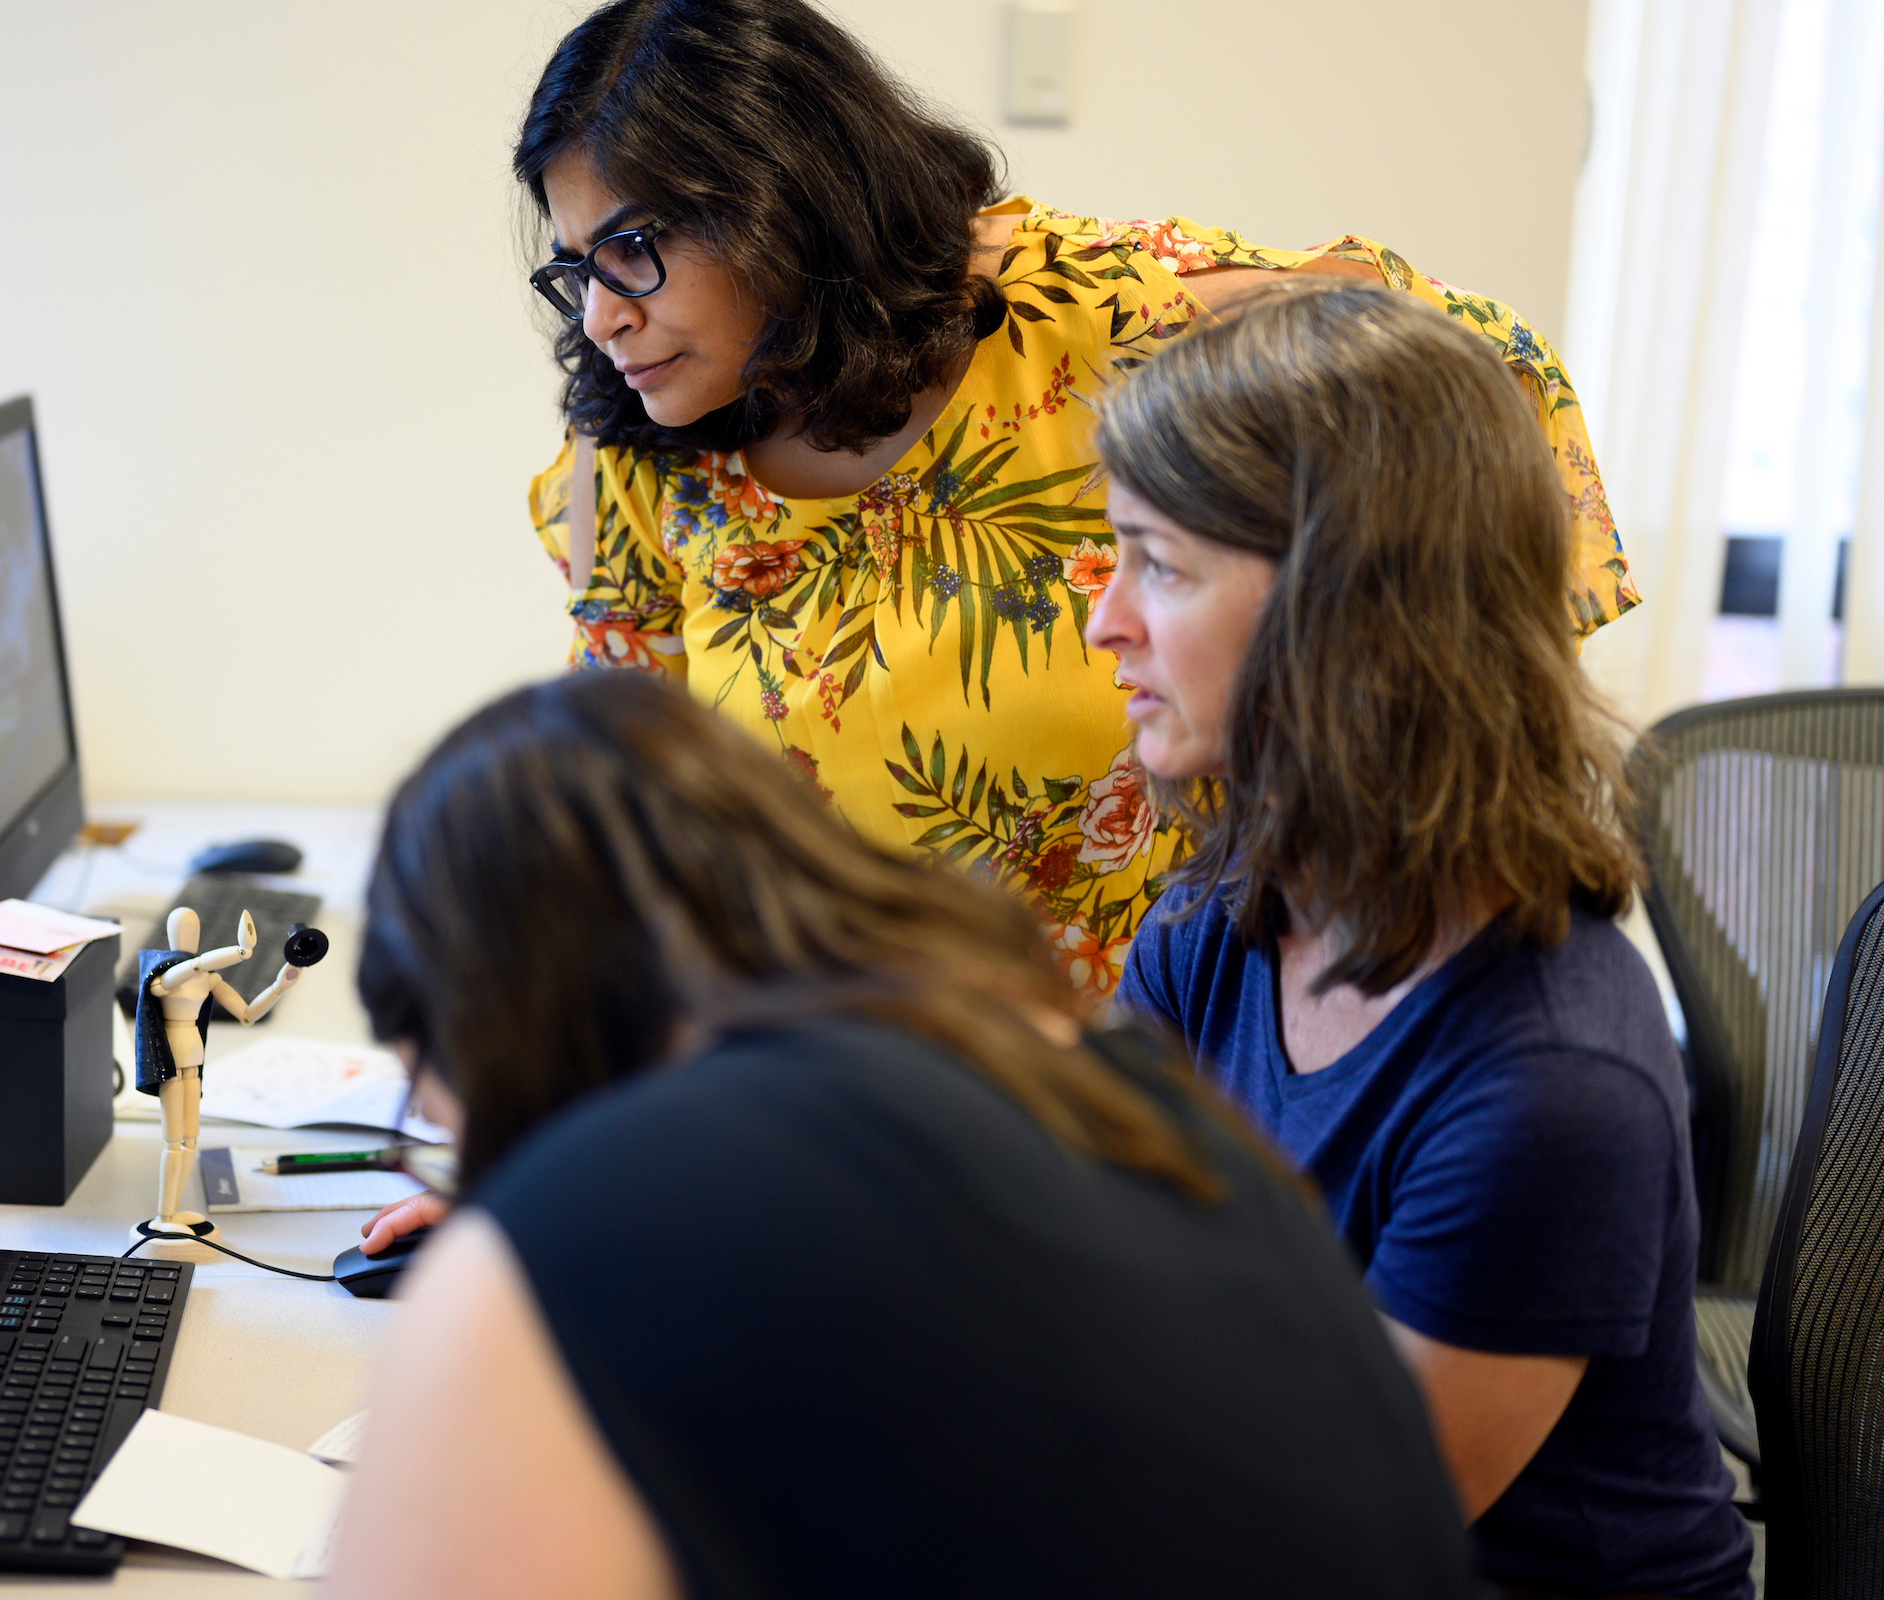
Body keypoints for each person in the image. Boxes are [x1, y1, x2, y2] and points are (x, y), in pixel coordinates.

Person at [519, 0, 1635, 1005]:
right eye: (576, 268)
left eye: (632, 248)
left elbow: (1491, 361)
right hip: (834, 1091)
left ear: (774, 196)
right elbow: (624, 824)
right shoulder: (639, 440)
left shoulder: (1085, 312)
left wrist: (1426, 690)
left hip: (1155, 1076)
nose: (603, 315)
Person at [326, 671, 1478, 1600]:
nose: (476, 1167)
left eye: (443, 1115)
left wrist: (501, 1269)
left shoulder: (582, 1223)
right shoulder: (1100, 1083)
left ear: (496, 1023)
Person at [1089, 283, 1753, 1600]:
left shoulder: (1551, 1085)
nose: (1106, 619)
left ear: (1344, 611)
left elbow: (1322, 1538)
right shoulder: (1212, 927)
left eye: (1157, 564)